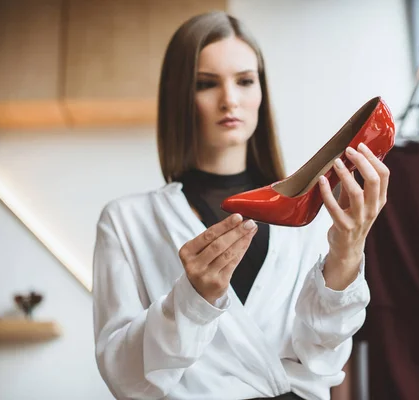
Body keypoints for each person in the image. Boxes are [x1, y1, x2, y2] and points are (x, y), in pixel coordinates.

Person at [92, 11, 390, 400]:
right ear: (180, 95)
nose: (229, 100)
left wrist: (348, 255)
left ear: (261, 92)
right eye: (206, 84)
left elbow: (323, 357)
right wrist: (190, 300)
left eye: (245, 81)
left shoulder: (315, 214)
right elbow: (123, 374)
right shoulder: (127, 221)